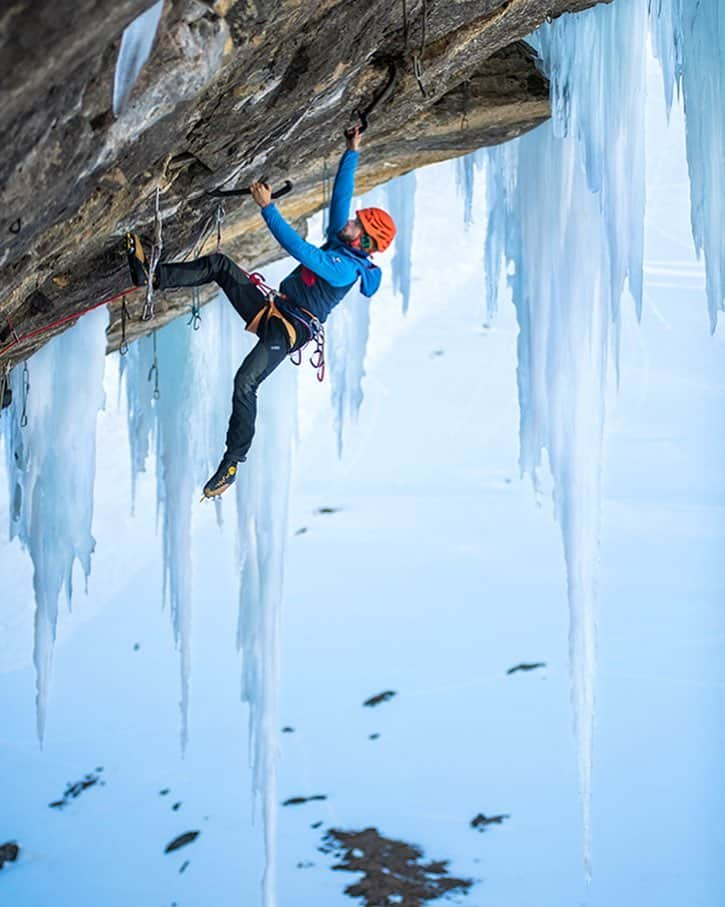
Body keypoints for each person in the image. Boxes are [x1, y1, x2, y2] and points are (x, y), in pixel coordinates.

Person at [125, 126, 396, 498]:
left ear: (364, 241)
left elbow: (301, 251)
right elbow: (340, 197)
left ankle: (232, 462)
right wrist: (352, 149)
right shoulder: (344, 243)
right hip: (274, 310)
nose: (349, 221)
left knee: (245, 382)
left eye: (356, 225)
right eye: (355, 220)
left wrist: (268, 207)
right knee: (220, 266)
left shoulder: (345, 268)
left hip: (286, 332)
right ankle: (152, 275)